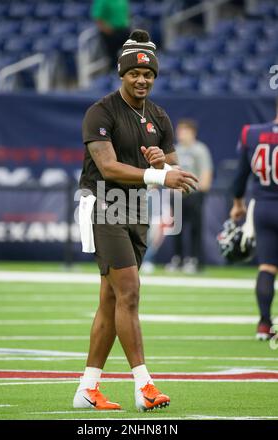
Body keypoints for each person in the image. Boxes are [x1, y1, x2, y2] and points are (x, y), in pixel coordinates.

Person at [73, 29, 198, 412]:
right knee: (129, 292)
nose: (141, 79)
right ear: (121, 74)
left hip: (136, 210)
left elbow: (177, 170)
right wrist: (160, 175)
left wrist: (165, 163)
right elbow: (108, 167)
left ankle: (87, 389)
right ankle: (144, 385)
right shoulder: (101, 111)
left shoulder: (159, 115)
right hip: (103, 207)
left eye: (148, 74)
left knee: (112, 299)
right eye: (134, 74)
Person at [230, 109, 278, 341]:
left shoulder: (252, 133)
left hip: (263, 207)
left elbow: (240, 175)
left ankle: (264, 324)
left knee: (267, 267)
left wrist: (238, 203)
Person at [166, 119, 213, 273]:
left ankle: (194, 259)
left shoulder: (200, 149)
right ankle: (177, 258)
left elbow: (206, 172)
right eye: (179, 131)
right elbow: (169, 171)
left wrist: (200, 190)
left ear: (192, 132)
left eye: (184, 131)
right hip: (177, 195)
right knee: (176, 229)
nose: (180, 134)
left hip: (193, 194)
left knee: (195, 228)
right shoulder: (175, 150)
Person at [91, 0, 131, 71]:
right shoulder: (101, 1)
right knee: (113, 59)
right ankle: (114, 76)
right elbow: (98, 17)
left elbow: (126, 12)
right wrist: (106, 29)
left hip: (124, 30)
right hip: (111, 33)